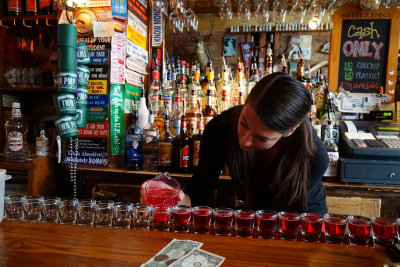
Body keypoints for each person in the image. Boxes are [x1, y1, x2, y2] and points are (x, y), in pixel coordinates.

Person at [141, 72, 329, 215]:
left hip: (303, 223)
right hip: (251, 222)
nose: (245, 141)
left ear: (290, 131)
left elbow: (282, 211)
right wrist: (177, 199)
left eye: (262, 138)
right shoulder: (220, 127)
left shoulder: (314, 155)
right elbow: (200, 190)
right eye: (244, 124)